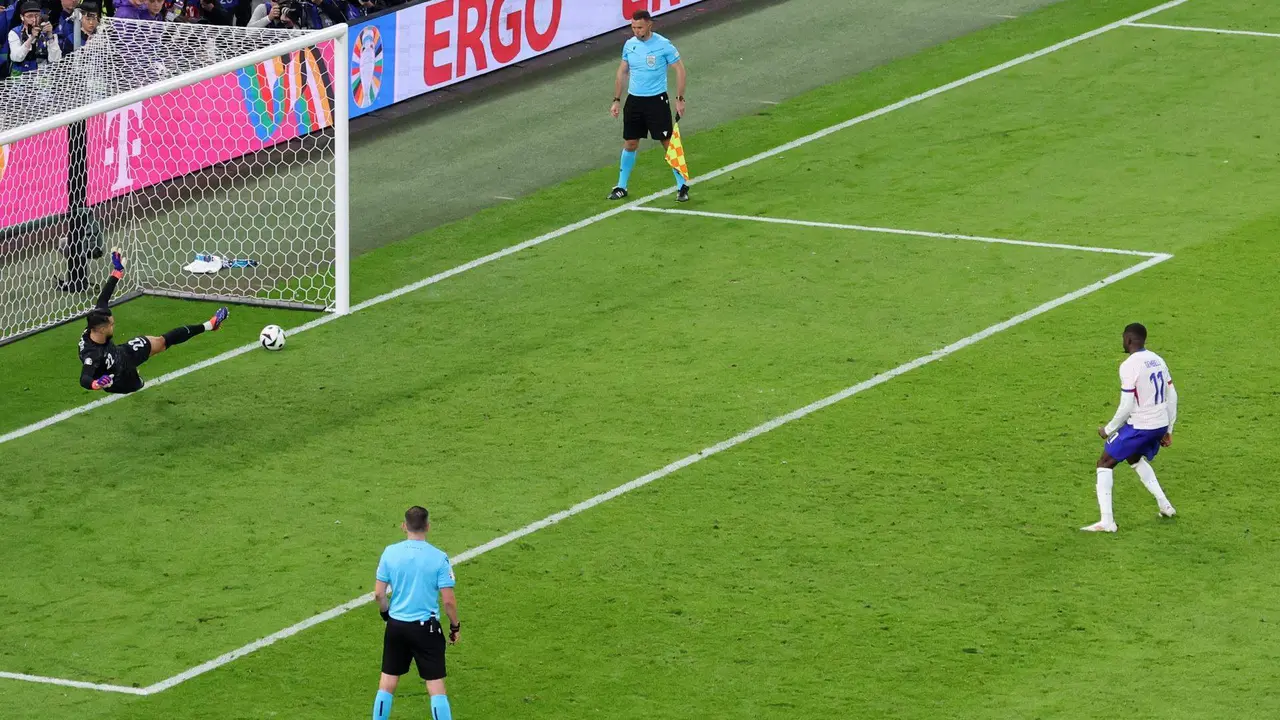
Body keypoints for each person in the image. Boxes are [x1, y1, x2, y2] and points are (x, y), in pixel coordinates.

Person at [79, 248, 229, 394]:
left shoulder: (96, 320)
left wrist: (117, 272)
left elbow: (103, 297)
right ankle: (135, 378)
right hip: (118, 378)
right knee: (138, 384)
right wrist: (96, 383)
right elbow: (84, 378)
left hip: (121, 353)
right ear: (101, 329)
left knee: (161, 342)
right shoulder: (92, 354)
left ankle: (210, 325)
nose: (114, 326)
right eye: (111, 325)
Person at [1082, 323, 1179, 532]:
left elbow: (1126, 406)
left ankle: (1107, 522)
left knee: (1104, 462)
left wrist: (1107, 430)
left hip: (1142, 425)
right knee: (1133, 457)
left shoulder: (1129, 365)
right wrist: (1169, 429)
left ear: (1128, 340)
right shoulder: (1158, 360)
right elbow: (1173, 395)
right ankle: (1165, 505)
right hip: (1160, 423)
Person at [372, 506, 460, 720]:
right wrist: (455, 626)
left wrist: (386, 614)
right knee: (435, 684)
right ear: (427, 526)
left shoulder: (389, 552)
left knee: (387, 682)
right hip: (426, 629)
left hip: (396, 627)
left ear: (404, 526)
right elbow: (448, 601)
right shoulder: (439, 558)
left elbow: (378, 594)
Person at [608, 10, 689, 203]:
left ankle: (682, 185)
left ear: (649, 25)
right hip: (634, 102)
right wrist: (617, 100)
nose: (636, 31)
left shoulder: (663, 45)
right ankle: (621, 186)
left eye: (639, 27)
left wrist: (679, 98)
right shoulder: (629, 45)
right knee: (630, 142)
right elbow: (622, 72)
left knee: (667, 142)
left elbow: (680, 70)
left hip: (656, 101)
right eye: (633, 27)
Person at [7, 0, 61, 76]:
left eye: (37, 15)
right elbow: (16, 57)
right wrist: (31, 38)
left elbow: (56, 59)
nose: (34, 19)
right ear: (22, 17)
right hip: (20, 78)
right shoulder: (15, 32)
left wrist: (50, 36)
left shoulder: (46, 31)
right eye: (30, 16)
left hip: (41, 78)